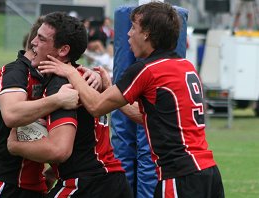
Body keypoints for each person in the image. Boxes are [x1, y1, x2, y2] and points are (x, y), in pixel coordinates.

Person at [38, 2, 225, 198]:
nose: (128, 34)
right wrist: (109, 89)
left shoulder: (147, 69)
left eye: (133, 28)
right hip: (208, 171)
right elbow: (147, 116)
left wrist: (70, 72)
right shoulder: (185, 66)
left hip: (181, 175)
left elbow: (95, 106)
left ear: (147, 34)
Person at [0, 14, 102, 197]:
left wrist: (91, 75)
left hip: (37, 186)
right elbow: (11, 114)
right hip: (2, 184)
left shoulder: (53, 75)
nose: (34, 42)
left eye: (41, 39)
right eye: (37, 37)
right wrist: (57, 100)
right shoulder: (14, 73)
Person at [7, 11, 133, 198]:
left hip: (87, 184)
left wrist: (14, 146)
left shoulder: (61, 84)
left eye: (41, 39)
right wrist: (53, 172)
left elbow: (59, 150)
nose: (33, 42)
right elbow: (85, 142)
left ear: (63, 50)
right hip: (113, 182)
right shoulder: (83, 76)